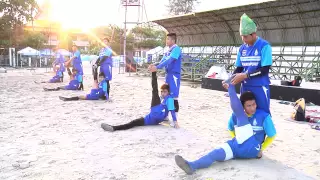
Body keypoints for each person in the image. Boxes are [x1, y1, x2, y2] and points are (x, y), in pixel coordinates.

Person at [175, 77, 276, 175]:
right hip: (236, 146)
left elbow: (272, 135)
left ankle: (230, 87)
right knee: (214, 154)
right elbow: (230, 128)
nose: (252, 108)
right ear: (243, 106)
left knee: (240, 115)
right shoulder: (235, 116)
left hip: (252, 147)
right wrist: (236, 138)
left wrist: (261, 149)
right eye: (249, 105)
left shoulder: (263, 116)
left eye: (254, 104)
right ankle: (192, 166)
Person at [222, 13, 272, 114]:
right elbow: (239, 68)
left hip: (260, 86)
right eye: (242, 37)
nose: (244, 40)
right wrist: (230, 79)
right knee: (246, 113)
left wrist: (246, 75)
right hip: (245, 87)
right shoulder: (242, 48)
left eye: (245, 37)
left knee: (263, 113)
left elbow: (265, 70)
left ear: (253, 34)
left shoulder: (264, 46)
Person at [100, 72, 179, 132]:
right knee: (134, 123)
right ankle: (114, 128)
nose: (162, 93)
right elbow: (169, 110)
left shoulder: (169, 99)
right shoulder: (166, 99)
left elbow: (172, 111)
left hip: (154, 114)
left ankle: (114, 128)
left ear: (168, 92)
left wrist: (175, 122)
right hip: (153, 119)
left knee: (154, 90)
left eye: (164, 92)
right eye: (162, 91)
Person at [148, 33, 182, 118]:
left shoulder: (176, 49)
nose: (166, 41)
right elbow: (161, 61)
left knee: (174, 97)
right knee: (166, 95)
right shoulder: (167, 51)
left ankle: (175, 118)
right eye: (166, 39)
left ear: (173, 40)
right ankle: (166, 116)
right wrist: (154, 65)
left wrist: (157, 67)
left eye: (168, 39)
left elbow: (170, 60)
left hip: (174, 76)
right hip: (168, 75)